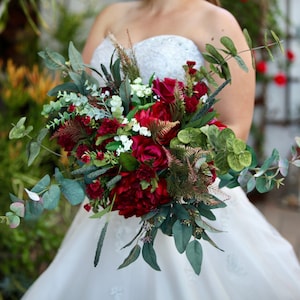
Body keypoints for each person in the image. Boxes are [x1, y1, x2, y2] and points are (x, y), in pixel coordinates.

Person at [22, 0, 300, 299]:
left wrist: (170, 168)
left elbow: (236, 126)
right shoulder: (112, 15)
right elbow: (82, 103)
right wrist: (101, 155)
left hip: (185, 201)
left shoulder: (216, 22)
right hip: (116, 199)